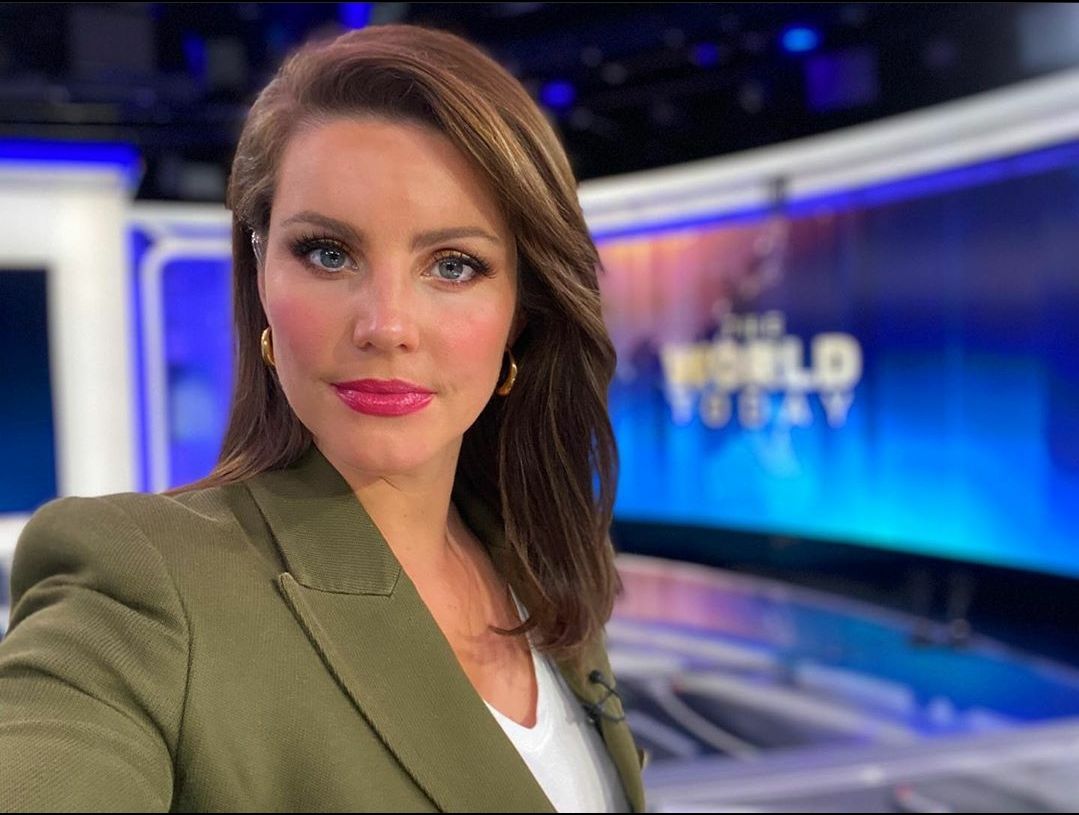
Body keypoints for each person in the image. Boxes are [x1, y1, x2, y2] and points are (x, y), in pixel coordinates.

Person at [0, 23, 645, 813]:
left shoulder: (540, 562)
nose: (386, 325)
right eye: (328, 253)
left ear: (522, 309)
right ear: (260, 276)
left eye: (453, 265)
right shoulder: (142, 585)